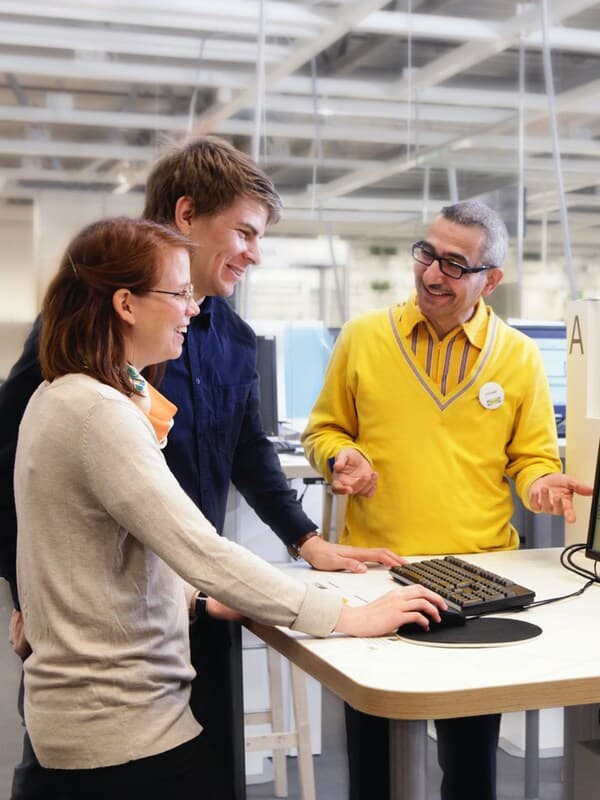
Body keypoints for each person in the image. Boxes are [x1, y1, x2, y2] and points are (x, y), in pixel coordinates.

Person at [0, 137, 403, 800]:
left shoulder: (224, 337)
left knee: (207, 758)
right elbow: (15, 466)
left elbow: (244, 450)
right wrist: (28, 593)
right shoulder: (81, 367)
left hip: (190, 602)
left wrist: (305, 540)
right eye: (244, 231)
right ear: (186, 216)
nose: (254, 252)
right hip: (105, 630)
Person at [301, 199, 593, 800]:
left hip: (479, 576)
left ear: (492, 279)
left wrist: (539, 483)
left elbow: (530, 458)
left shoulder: (516, 355)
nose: (432, 274)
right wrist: (339, 457)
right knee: (375, 757)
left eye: (455, 264)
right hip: (378, 572)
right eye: (428, 254)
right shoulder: (363, 337)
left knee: (469, 762)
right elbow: (323, 431)